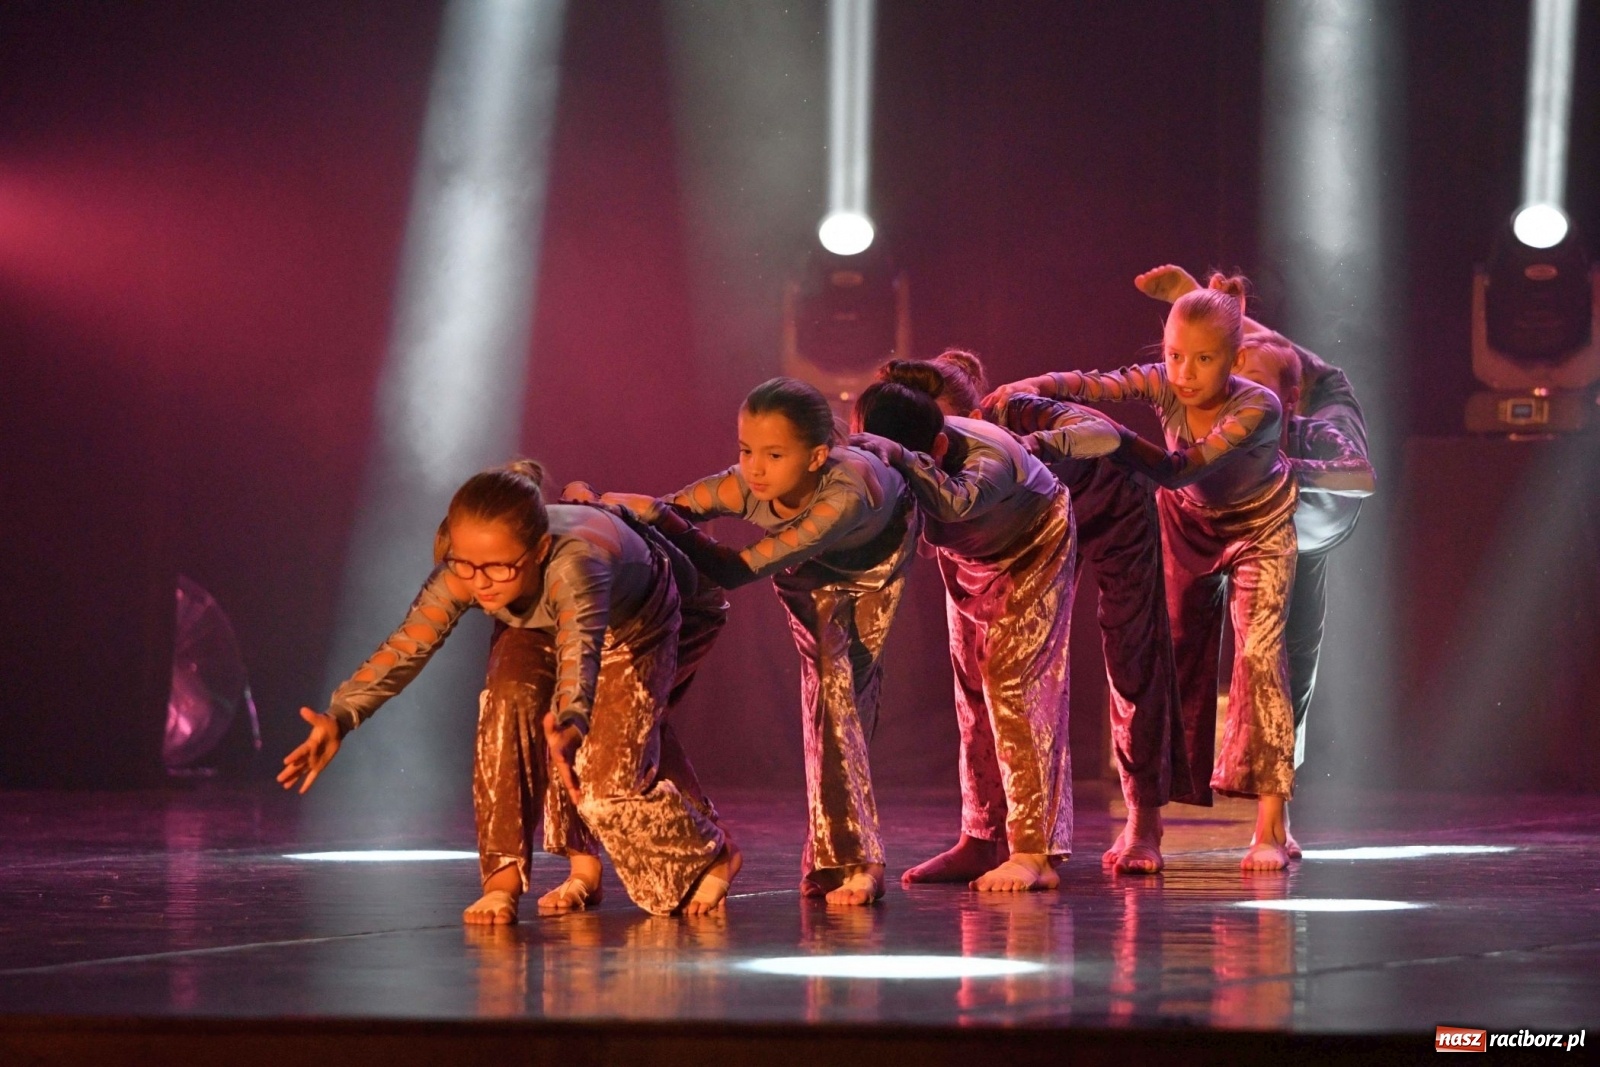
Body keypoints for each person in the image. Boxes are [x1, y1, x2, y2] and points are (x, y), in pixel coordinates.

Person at [279, 460, 739, 921]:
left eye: (496, 568)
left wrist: (573, 718)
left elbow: (581, 650)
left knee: (603, 779)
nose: (479, 583)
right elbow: (406, 646)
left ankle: (710, 853)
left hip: (641, 618)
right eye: (465, 565)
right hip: (542, 616)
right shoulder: (476, 573)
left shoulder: (577, 565)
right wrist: (340, 715)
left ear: (538, 550)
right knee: (507, 701)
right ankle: (505, 881)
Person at [985, 277, 1300, 870]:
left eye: (1204, 360)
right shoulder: (1163, 381)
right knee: (1164, 658)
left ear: (1234, 360)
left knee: (1258, 657)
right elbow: (1096, 382)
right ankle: (1143, 825)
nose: (1184, 372)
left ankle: (1270, 828)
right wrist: (1035, 386)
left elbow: (1181, 467)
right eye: (1175, 355)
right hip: (1185, 525)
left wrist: (1109, 440)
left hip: (1259, 526)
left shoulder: (1259, 404)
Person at [602, 378, 918, 906]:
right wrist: (613, 512)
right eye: (747, 451)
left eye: (774, 454)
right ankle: (839, 857)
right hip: (805, 572)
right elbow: (669, 511)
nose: (755, 468)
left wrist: (658, 516)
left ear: (818, 456)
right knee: (830, 700)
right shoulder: (744, 484)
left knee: (841, 701)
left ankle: (858, 859)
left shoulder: (843, 494)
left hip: (870, 566)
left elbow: (732, 568)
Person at [851, 353, 1120, 891]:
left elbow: (953, 503)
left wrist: (902, 461)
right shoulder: (890, 447)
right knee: (972, 689)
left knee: (1015, 683)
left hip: (1032, 545)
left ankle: (1033, 851)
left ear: (941, 445)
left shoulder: (988, 454)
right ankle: (980, 837)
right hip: (970, 556)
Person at [1137, 266, 1375, 855]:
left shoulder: (1314, 423)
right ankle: (1147, 820)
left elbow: (1360, 474)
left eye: (1250, 378)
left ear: (1286, 406)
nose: (1233, 389)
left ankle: (1274, 820)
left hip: (1308, 526)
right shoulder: (1213, 402)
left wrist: (1283, 469)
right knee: (1180, 648)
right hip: (1225, 525)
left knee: (1279, 659)